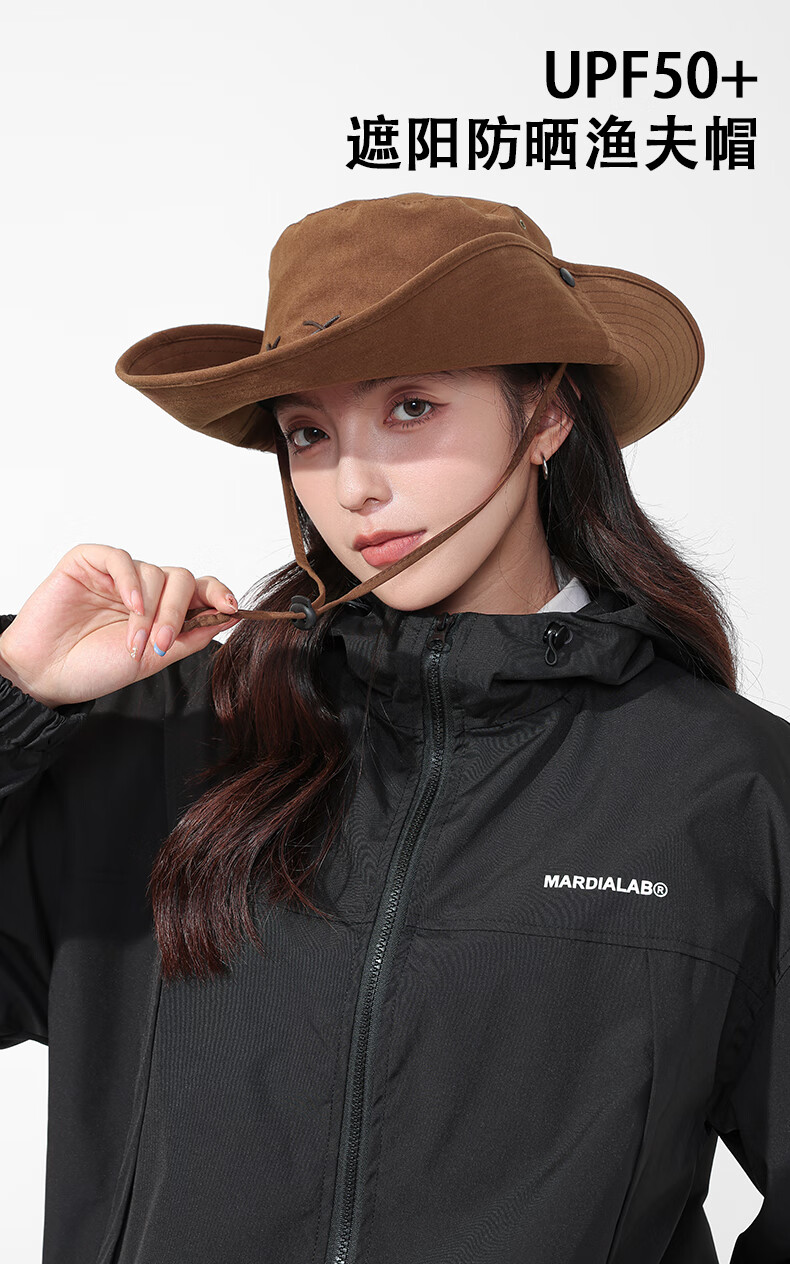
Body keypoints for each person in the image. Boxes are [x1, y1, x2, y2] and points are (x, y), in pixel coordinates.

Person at [0, 192, 788, 1264]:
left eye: (412, 408)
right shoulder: (166, 741)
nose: (355, 486)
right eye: (309, 433)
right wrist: (17, 694)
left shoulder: (727, 786)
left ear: (546, 417)